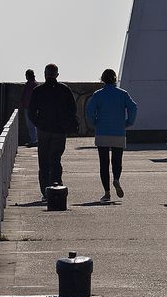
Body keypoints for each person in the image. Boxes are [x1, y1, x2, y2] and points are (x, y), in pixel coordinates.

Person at [26, 63, 78, 200]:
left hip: (44, 130)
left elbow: (31, 112)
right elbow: (72, 110)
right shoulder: (64, 89)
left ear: (45, 74)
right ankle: (56, 184)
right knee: (56, 158)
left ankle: (45, 191)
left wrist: (39, 123)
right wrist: (65, 124)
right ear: (57, 75)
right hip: (60, 131)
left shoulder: (38, 90)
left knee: (43, 161)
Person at [86, 69, 138, 203]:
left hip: (102, 131)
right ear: (115, 79)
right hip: (118, 131)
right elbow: (133, 107)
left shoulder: (98, 94)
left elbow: (90, 110)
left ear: (102, 79)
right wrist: (128, 122)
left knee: (103, 163)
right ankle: (116, 179)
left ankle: (107, 193)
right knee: (117, 160)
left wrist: (94, 122)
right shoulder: (122, 94)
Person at [21, 69, 39, 147]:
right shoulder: (35, 84)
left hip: (30, 107)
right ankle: (35, 140)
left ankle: (34, 140)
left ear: (28, 75)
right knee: (34, 125)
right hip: (32, 107)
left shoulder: (31, 85)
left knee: (30, 125)